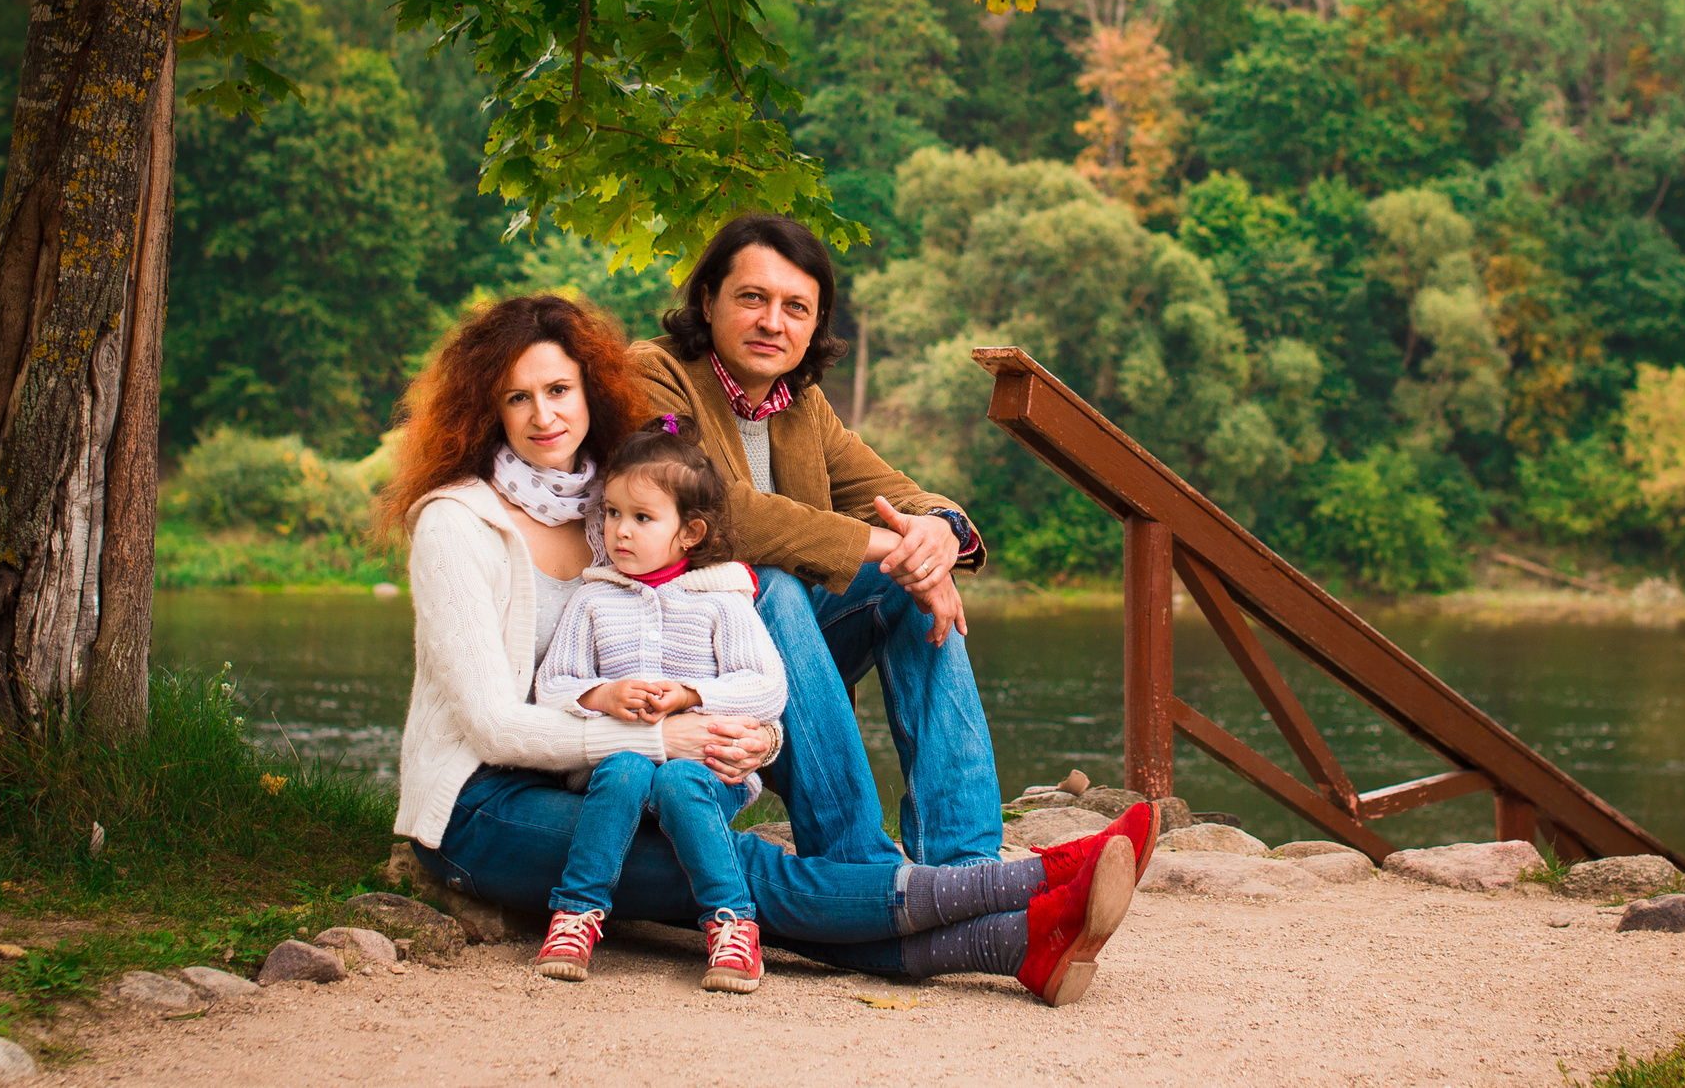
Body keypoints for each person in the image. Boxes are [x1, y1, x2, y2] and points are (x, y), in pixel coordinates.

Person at [376, 292, 1153, 1005]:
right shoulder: (459, 523)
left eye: (558, 390)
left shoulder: (613, 511)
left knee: (725, 879)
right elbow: (492, 725)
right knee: (741, 871)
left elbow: (702, 658)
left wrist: (750, 732)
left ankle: (1021, 946)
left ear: (590, 394)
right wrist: (659, 734)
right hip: (484, 810)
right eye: (518, 396)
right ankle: (1040, 880)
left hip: (613, 781)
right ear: (489, 410)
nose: (544, 413)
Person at [629, 215, 997, 868]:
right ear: (709, 298)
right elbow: (711, 513)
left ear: (816, 324)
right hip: (683, 658)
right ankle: (860, 867)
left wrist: (940, 531)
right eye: (753, 298)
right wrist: (886, 545)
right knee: (765, 581)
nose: (774, 321)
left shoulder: (800, 404)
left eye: (796, 307)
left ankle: (964, 865)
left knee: (908, 583)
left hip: (787, 653)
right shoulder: (653, 374)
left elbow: (898, 492)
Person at [530, 415, 786, 992]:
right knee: (623, 771)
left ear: (689, 533)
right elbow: (552, 686)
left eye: (643, 518)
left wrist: (696, 694)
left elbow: (769, 687)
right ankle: (575, 915)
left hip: (703, 772)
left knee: (678, 785)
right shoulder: (595, 598)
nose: (621, 531)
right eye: (614, 513)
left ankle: (732, 923)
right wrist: (602, 694)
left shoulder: (721, 600)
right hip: (613, 761)